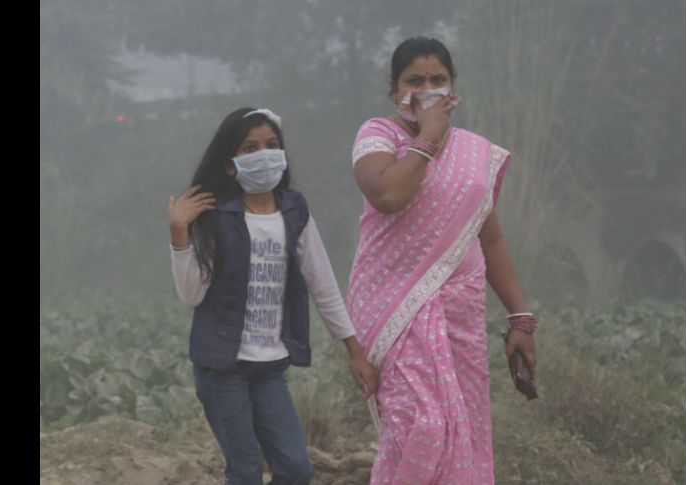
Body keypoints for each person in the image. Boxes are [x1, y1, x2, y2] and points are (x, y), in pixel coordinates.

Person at [347, 37, 538, 484]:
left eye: (438, 80)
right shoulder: (378, 136)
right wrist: (429, 136)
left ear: (453, 90)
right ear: (395, 88)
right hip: (397, 312)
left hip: (460, 318)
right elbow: (389, 195)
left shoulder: (474, 153)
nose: (426, 89)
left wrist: (521, 318)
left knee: (463, 432)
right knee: (423, 426)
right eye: (415, 81)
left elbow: (489, 239)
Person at [168, 107, 378, 485]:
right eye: (249, 148)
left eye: (271, 145)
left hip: (270, 366)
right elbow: (191, 294)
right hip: (222, 367)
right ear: (230, 165)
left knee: (296, 469)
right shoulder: (217, 216)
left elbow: (323, 282)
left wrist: (354, 350)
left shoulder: (294, 210)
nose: (263, 155)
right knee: (246, 471)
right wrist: (179, 233)